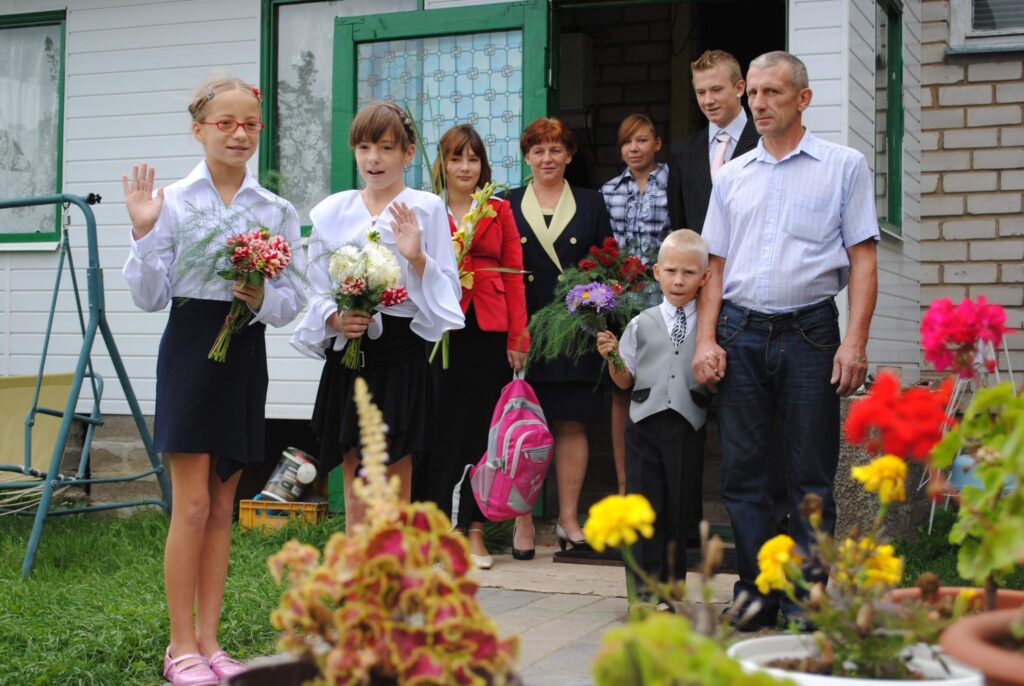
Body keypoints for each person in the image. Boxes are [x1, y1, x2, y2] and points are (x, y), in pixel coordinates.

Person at [122, 76, 307, 686]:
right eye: (225, 123)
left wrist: (260, 296)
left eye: (249, 124)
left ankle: (210, 641)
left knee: (225, 504)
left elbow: (293, 301)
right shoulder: (172, 200)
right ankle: (180, 648)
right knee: (194, 502)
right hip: (190, 346)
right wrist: (145, 231)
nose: (238, 133)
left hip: (244, 348)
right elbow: (148, 297)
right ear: (198, 128)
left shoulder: (275, 210)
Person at [693, 51, 879, 630]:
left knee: (810, 473)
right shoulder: (733, 176)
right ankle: (757, 591)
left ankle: (803, 598)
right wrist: (706, 340)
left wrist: (854, 343)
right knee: (744, 474)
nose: (761, 104)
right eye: (755, 94)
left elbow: (864, 260)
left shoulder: (843, 166)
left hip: (810, 333)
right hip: (740, 331)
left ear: (803, 98)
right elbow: (714, 267)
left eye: (774, 93)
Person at [291, 101, 464, 529]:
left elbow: (449, 295)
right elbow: (313, 287)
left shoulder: (425, 208)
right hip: (349, 352)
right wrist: (334, 319)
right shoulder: (333, 211)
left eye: (387, 148)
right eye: (365, 146)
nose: (374, 159)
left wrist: (417, 256)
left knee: (392, 484)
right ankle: (357, 589)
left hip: (400, 357)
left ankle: (392, 588)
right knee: (355, 484)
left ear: (407, 153)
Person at [416, 124, 529, 569]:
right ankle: (438, 527)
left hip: (488, 329)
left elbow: (515, 274)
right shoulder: (426, 209)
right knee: (440, 430)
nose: (465, 167)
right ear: (441, 164)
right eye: (456, 158)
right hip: (439, 329)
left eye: (473, 159)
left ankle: (475, 531)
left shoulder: (497, 209)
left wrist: (519, 335)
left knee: (485, 433)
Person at [505, 117, 613, 556]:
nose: (546, 158)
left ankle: (568, 519)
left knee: (571, 423)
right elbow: (504, 275)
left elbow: (605, 262)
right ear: (526, 157)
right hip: (525, 330)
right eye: (538, 150)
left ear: (569, 155)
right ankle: (523, 522)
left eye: (555, 150)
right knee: (523, 427)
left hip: (573, 330)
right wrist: (513, 332)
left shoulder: (591, 202)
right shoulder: (505, 203)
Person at [596, 229, 711, 598]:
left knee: (678, 508)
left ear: (704, 278)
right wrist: (612, 356)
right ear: (657, 272)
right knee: (644, 508)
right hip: (644, 426)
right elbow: (624, 380)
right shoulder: (640, 322)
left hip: (686, 425)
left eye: (689, 273)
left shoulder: (710, 326)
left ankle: (669, 591)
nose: (679, 281)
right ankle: (641, 593)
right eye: (672, 271)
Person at [600, 113, 672, 496]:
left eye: (642, 140)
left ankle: (658, 484)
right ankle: (625, 484)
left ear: (657, 143)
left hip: (663, 301)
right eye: (627, 142)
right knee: (621, 389)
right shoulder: (609, 191)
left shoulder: (672, 185)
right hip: (622, 304)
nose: (634, 148)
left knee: (661, 387)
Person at [667, 49, 759, 234]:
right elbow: (680, 226)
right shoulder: (682, 153)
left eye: (716, 90)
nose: (708, 100)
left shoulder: (765, 143)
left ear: (740, 88)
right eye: (701, 92)